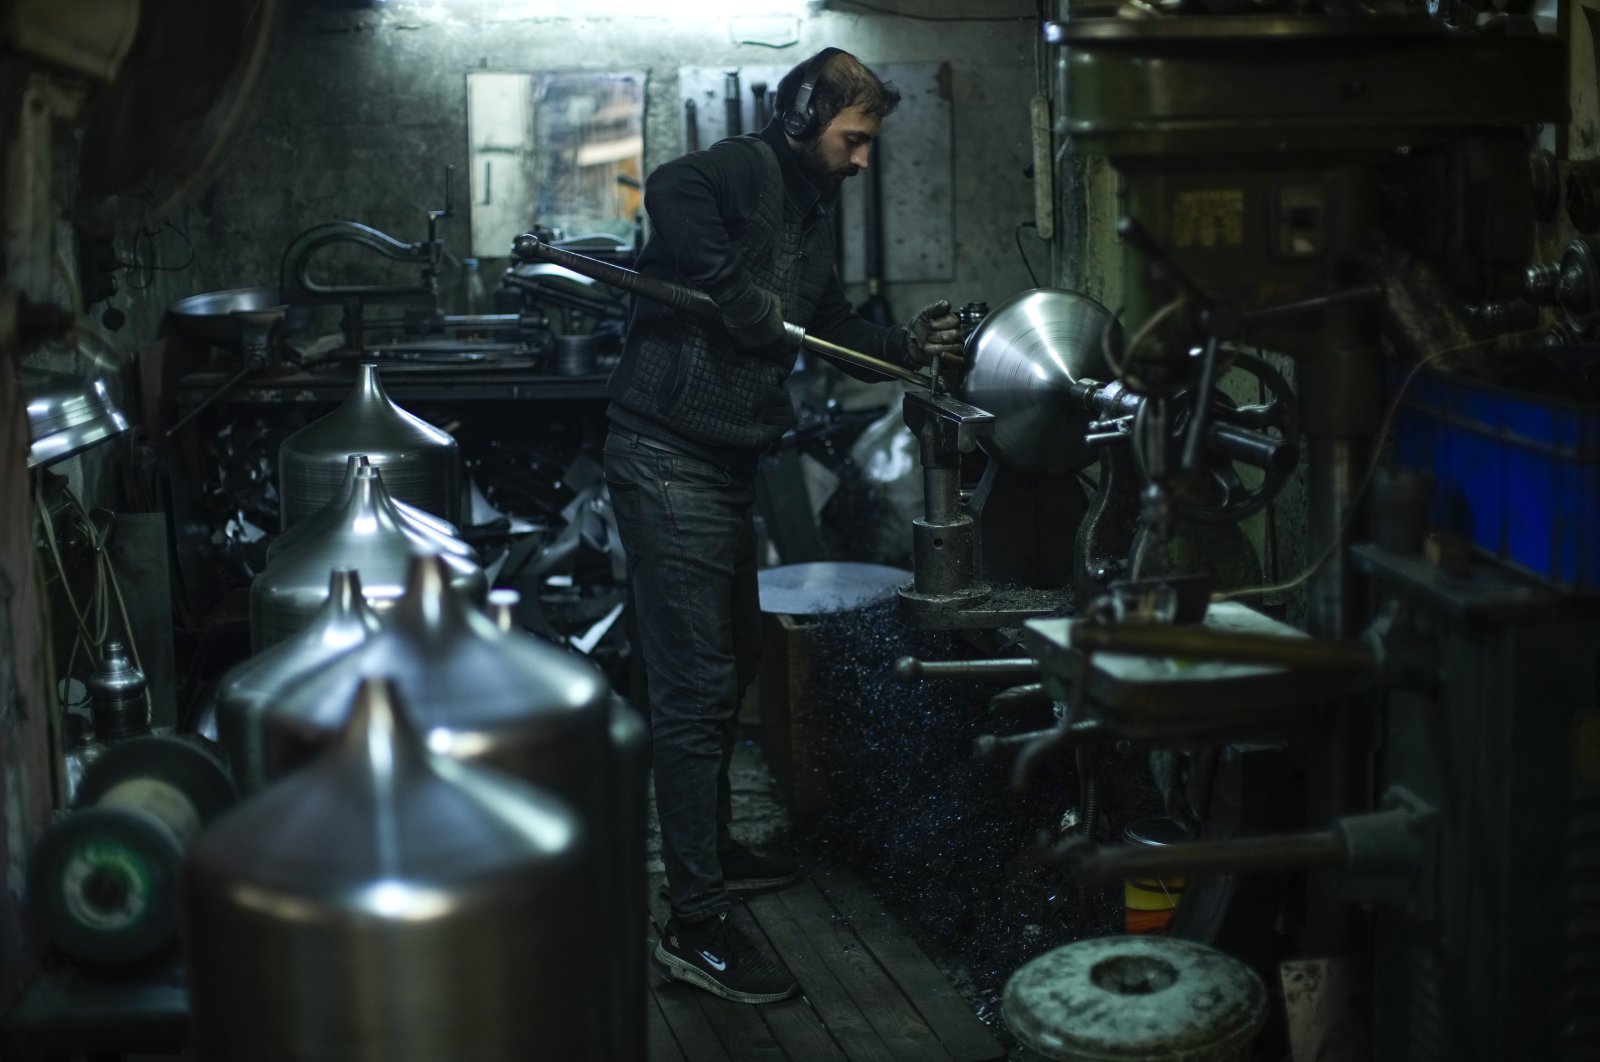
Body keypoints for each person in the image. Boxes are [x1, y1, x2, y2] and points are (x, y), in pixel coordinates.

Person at [604, 47, 964, 1005]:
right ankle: (694, 925)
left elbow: (833, 321)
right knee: (694, 692)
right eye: (853, 138)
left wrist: (911, 350)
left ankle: (711, 846)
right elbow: (669, 193)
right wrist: (736, 294)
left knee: (736, 654)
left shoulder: (813, 206)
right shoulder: (744, 168)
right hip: (664, 454)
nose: (862, 160)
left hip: (724, 463)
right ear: (806, 114)